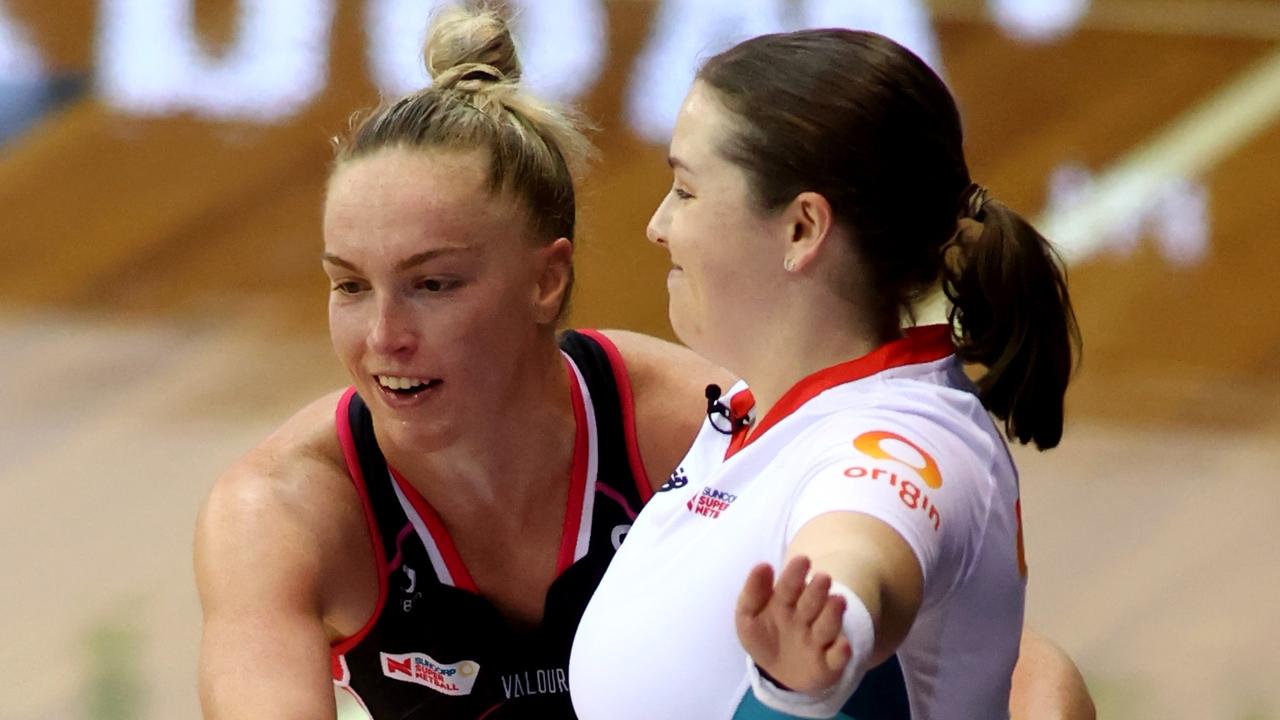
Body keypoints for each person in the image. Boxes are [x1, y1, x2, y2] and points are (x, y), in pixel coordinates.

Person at [194, 7, 1091, 720]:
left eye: (432, 285)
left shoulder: (689, 418)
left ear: (547, 281)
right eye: (348, 286)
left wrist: (829, 638)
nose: (381, 336)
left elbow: (965, 630)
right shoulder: (279, 509)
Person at [570, 27, 1083, 720]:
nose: (658, 225)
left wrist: (830, 621)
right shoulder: (767, 407)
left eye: (686, 191)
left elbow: (861, 541)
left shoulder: (905, 442)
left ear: (802, 229)